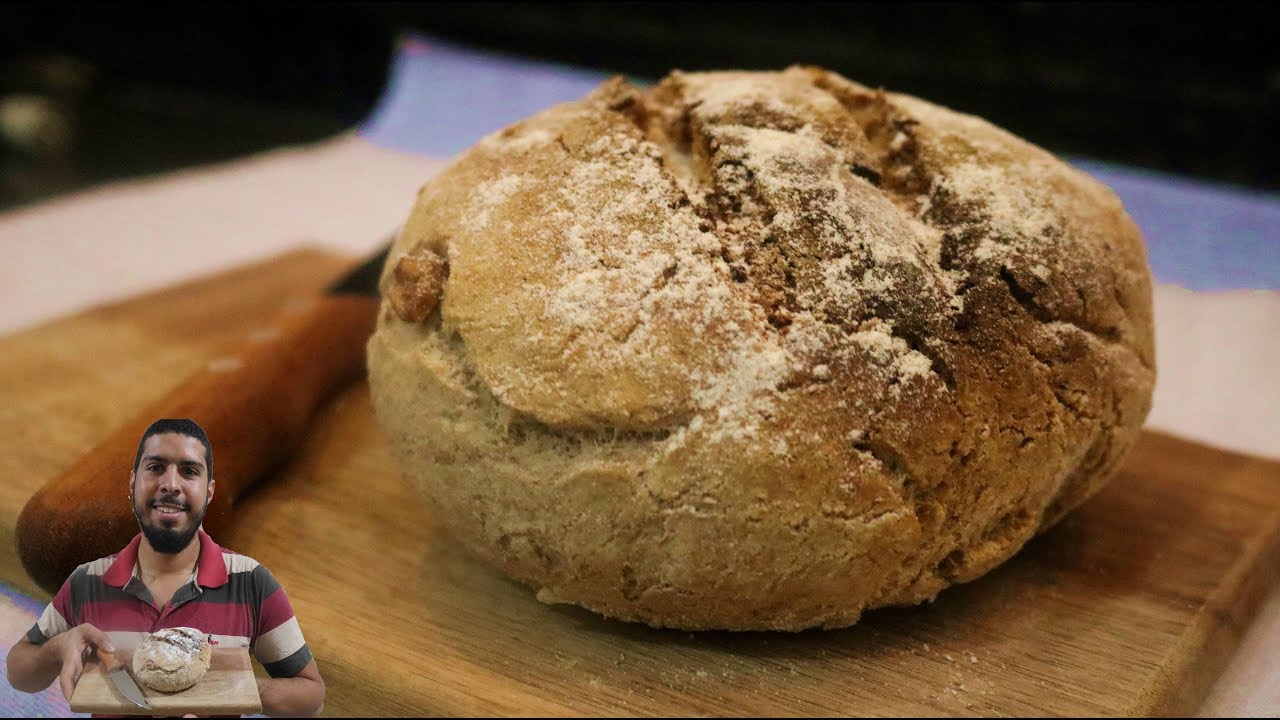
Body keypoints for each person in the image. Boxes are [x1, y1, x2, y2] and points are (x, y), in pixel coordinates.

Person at [6, 418, 325, 716]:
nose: (171, 484)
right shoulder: (88, 581)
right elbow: (19, 674)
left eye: (189, 471)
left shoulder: (251, 581)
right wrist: (56, 649)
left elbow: (310, 694)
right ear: (132, 484)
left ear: (210, 490)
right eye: (156, 468)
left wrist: (230, 688)